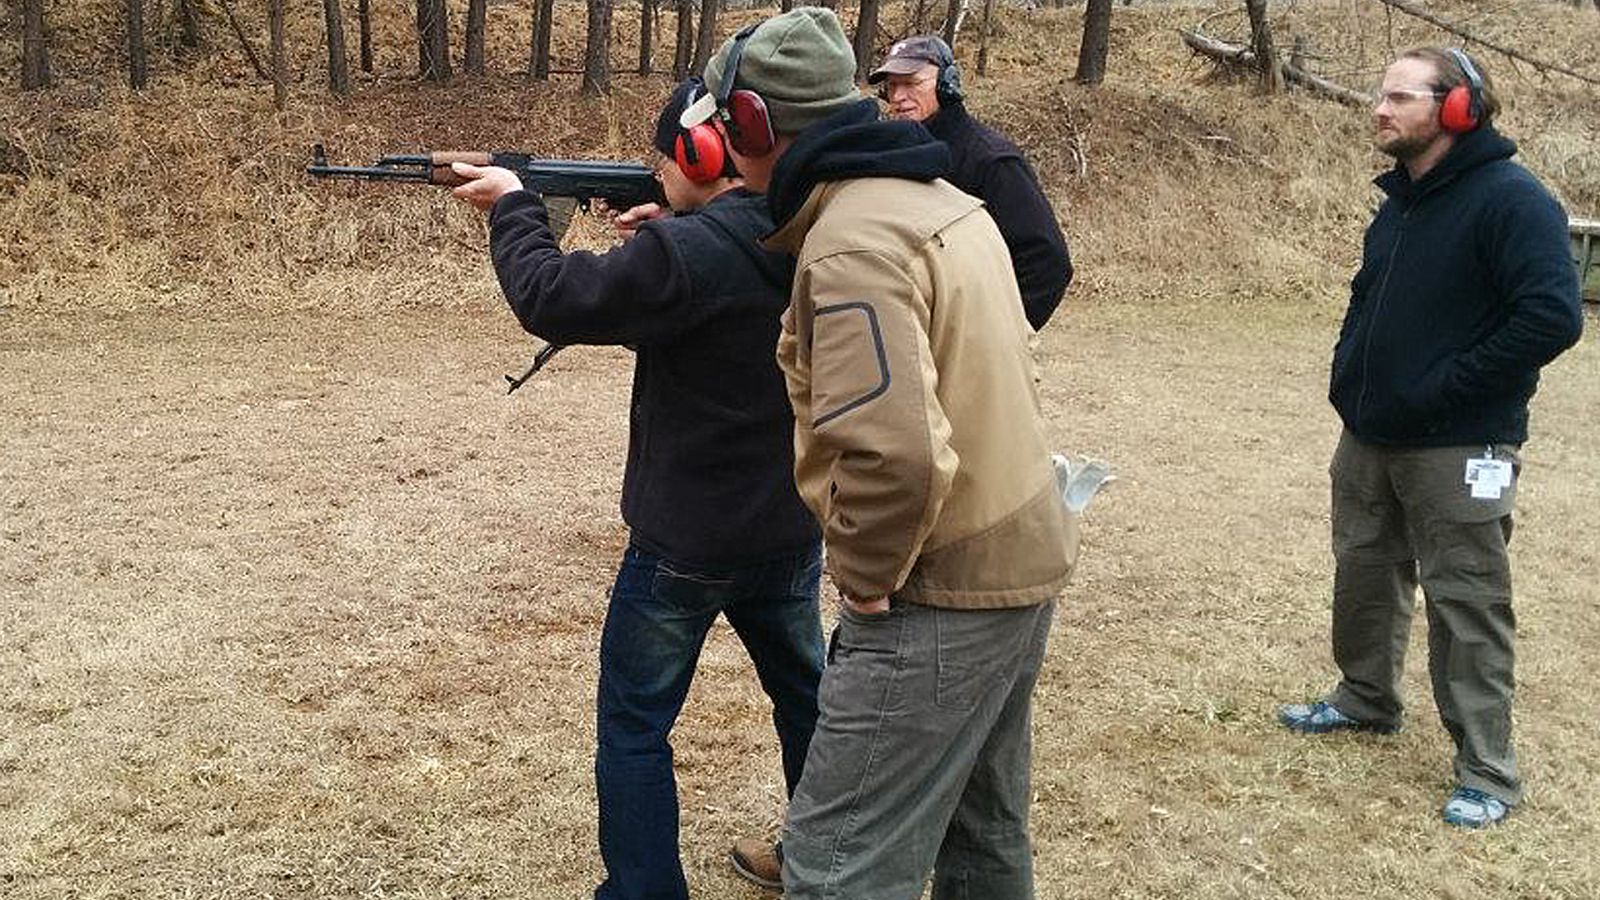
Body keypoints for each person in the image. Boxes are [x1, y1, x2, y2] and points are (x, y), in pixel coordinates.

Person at [681, 9, 1079, 897]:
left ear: (752, 126)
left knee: (836, 863)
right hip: (1015, 553)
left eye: (723, 122)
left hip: (938, 587)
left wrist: (864, 577)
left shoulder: (852, 243)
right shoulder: (934, 197)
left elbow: (893, 453)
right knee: (982, 838)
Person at [449, 80, 826, 899]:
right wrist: (677, 231)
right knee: (809, 704)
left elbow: (551, 297)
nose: (657, 172)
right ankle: (828, 859)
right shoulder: (809, 228)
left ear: (701, 154)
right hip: (789, 526)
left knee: (633, 726)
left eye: (665, 155)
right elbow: (716, 280)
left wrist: (515, 206)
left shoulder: (687, 252)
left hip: (683, 543)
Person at [1277, 48, 1583, 828]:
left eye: (1399, 97)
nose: (1379, 108)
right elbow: (1370, 302)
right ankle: (1366, 697)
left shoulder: (1513, 201)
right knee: (1365, 570)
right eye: (1380, 94)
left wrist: (1447, 388)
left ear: (1458, 110)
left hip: (1461, 444)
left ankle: (1487, 769)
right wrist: (1352, 381)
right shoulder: (1404, 202)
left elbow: (1551, 316)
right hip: (1371, 433)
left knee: (1467, 600)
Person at [867, 35, 1072, 331]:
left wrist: (997, 334)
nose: (898, 96)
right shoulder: (894, 156)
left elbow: (1047, 262)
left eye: (911, 83)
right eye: (893, 85)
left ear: (947, 85)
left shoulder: (991, 160)